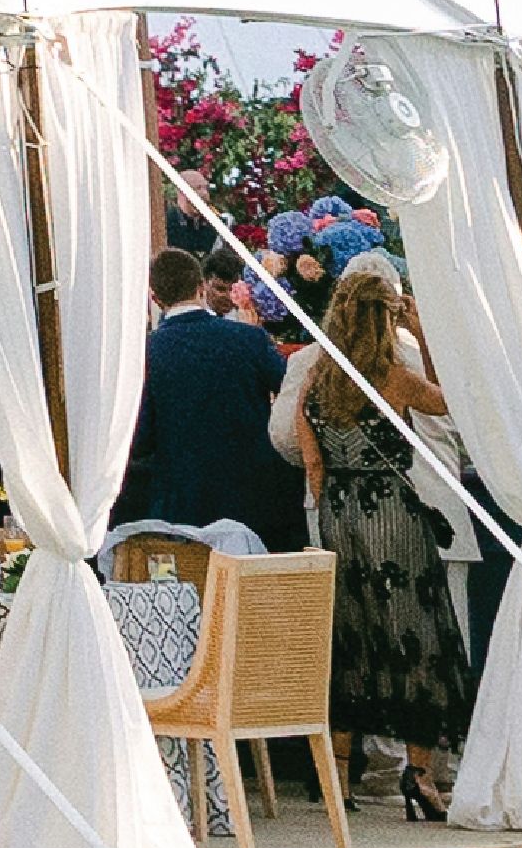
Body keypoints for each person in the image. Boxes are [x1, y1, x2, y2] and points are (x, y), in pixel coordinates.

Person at [271, 263, 474, 812]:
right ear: (387, 319)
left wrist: (335, 509)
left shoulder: (315, 380)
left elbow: (311, 465)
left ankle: (337, 777)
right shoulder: (392, 376)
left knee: (350, 643)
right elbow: (451, 400)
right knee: (416, 641)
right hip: (394, 515)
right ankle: (421, 777)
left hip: (339, 516)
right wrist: (424, 329)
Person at [122, 247, 294, 546]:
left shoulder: (146, 354)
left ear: (155, 298)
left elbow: (141, 440)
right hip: (252, 497)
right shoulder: (249, 339)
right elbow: (290, 392)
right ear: (200, 287)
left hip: (183, 502)